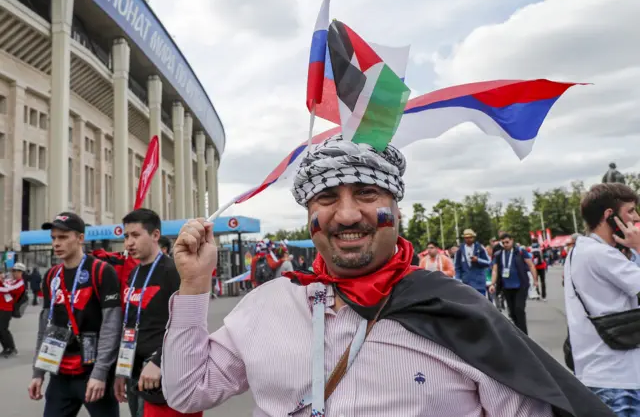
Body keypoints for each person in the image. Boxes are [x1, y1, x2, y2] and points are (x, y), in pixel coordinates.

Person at [161, 135, 612, 417]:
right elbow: (186, 392)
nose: (347, 214)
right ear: (308, 214)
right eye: (325, 199)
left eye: (366, 193)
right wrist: (195, 286)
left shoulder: (459, 313)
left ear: (396, 209)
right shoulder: (267, 305)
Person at [28, 212, 122, 417]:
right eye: (53, 238)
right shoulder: (51, 275)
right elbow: (45, 326)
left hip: (93, 374)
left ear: (80, 238)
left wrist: (100, 373)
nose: (56, 243)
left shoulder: (101, 271)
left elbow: (111, 326)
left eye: (63, 237)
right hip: (60, 374)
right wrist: (38, 372)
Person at [564, 183, 640, 414]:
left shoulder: (581, 250)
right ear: (610, 215)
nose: (636, 218)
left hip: (601, 371)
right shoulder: (601, 254)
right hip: (617, 378)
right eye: (630, 211)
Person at [113, 208, 198, 417]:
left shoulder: (173, 271)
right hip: (135, 369)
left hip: (162, 371)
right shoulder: (133, 274)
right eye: (126, 236)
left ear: (155, 235)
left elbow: (187, 323)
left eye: (135, 235)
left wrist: (159, 361)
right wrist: (122, 370)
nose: (128, 243)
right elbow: (130, 323)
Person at [490, 233, 538, 334]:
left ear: (512, 240)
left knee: (519, 309)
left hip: (520, 285)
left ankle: (524, 335)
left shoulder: (520, 251)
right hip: (507, 287)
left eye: (507, 242)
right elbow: (495, 270)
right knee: (512, 312)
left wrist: (535, 280)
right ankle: (518, 333)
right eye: (503, 243)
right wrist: (492, 284)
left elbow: (531, 265)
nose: (505, 244)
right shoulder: (498, 254)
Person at [0, 262, 26, 357]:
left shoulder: (20, 283)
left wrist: (2, 281)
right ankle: (6, 348)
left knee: (3, 329)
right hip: (1, 306)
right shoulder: (11, 280)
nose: (14, 273)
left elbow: (7, 289)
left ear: (22, 272)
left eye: (17, 271)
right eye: (13, 270)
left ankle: (11, 348)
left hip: (7, 308)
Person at [454, 229, 491, 295]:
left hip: (479, 283)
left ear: (473, 237)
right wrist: (458, 279)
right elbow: (457, 267)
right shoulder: (460, 250)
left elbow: (489, 262)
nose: (468, 239)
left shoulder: (480, 248)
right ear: (464, 238)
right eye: (466, 238)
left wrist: (478, 260)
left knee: (481, 303)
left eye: (470, 237)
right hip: (466, 283)